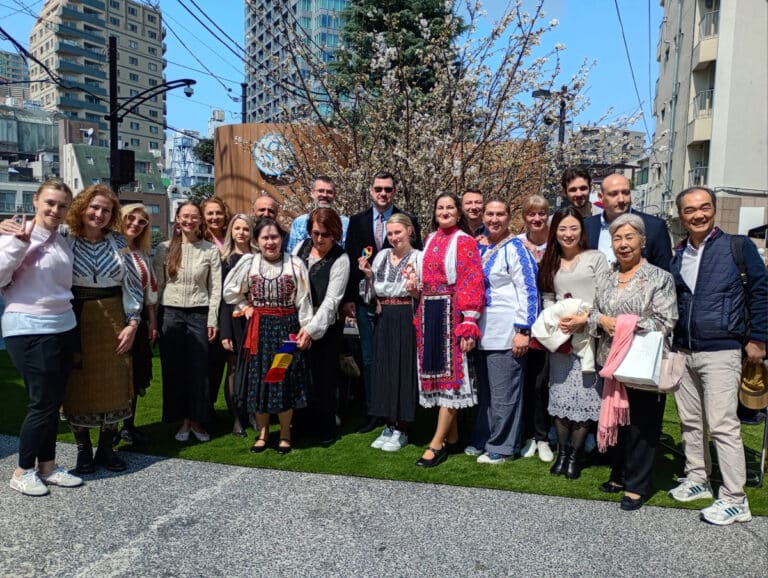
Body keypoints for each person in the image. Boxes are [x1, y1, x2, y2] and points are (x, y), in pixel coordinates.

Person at [668, 186, 767, 525]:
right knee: (691, 421)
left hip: (723, 349)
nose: (698, 215)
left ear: (713, 209)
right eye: (690, 210)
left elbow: (761, 292)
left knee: (724, 425)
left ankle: (735, 498)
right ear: (681, 216)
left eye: (704, 207)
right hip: (684, 349)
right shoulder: (678, 253)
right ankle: (697, 478)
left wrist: (759, 338)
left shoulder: (737, 247)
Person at [589, 213, 678, 511]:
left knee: (642, 425)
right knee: (617, 421)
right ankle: (618, 474)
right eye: (617, 238)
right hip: (612, 362)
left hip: (642, 364)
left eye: (629, 237)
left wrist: (626, 324)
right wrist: (602, 320)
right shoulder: (606, 277)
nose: (623, 244)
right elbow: (592, 313)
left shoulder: (659, 278)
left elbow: (666, 320)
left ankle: (637, 485)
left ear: (642, 241)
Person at [1, 179, 83, 495]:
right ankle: (23, 470)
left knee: (52, 402)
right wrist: (19, 244)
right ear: (36, 200)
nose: (55, 210)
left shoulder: (59, 239)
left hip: (62, 325)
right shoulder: (14, 235)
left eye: (62, 205)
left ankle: (47, 466)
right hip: (29, 327)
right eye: (50, 202)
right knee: (42, 402)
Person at [62, 185, 143, 474]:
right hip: (75, 318)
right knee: (77, 385)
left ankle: (106, 449)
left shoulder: (119, 241)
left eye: (106, 210)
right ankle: (83, 451)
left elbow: (132, 284)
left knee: (115, 382)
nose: (99, 214)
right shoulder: (65, 238)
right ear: (83, 207)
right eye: (94, 207)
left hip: (113, 317)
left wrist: (132, 323)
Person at [223, 218, 313, 454]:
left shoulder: (295, 264)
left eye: (274, 237)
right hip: (259, 330)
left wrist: (306, 329)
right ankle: (262, 433)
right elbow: (230, 291)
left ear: (282, 239)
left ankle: (284, 433)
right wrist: (245, 307)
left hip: (287, 329)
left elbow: (304, 300)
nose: (270, 242)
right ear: (257, 240)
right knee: (260, 381)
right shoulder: (249, 263)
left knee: (282, 379)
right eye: (265, 238)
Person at [343, 171, 422, 434]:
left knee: (399, 360)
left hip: (401, 307)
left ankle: (402, 414)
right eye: (378, 188)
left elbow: (416, 262)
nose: (383, 193)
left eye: (388, 189)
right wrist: (351, 298)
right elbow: (353, 263)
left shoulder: (408, 220)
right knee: (370, 358)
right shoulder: (357, 221)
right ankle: (374, 411)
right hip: (368, 301)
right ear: (370, 190)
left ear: (394, 191)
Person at [414, 192, 485, 467]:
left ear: (459, 214)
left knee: (452, 379)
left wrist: (469, 321)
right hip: (429, 311)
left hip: (451, 313)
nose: (444, 211)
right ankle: (452, 438)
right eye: (440, 207)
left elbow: (471, 280)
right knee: (437, 376)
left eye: (450, 208)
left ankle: (435, 443)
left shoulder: (464, 241)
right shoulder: (430, 239)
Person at [466, 197, 539, 464]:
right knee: (486, 393)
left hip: (507, 331)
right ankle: (484, 437)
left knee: (504, 393)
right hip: (483, 331)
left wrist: (523, 329)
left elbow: (529, 290)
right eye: (489, 214)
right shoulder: (482, 248)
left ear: (509, 218)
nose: (494, 219)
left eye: (500, 214)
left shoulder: (517, 248)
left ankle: (503, 446)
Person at [538, 207, 608, 479]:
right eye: (562, 229)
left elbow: (605, 296)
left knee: (585, 398)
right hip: (562, 338)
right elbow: (548, 296)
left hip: (589, 337)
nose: (568, 234)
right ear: (555, 232)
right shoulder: (551, 260)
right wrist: (555, 321)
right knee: (561, 397)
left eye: (573, 228)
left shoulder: (595, 258)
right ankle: (562, 453)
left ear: (582, 231)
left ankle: (575, 457)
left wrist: (585, 319)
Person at [153, 201, 221, 443]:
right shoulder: (164, 248)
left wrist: (212, 319)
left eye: (194, 217)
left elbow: (215, 290)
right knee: (175, 370)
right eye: (185, 216)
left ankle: (197, 420)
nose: (190, 221)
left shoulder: (210, 250)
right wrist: (153, 320)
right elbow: (158, 287)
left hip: (199, 314)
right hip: (170, 314)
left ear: (200, 221)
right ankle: (182, 420)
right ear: (178, 220)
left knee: (199, 370)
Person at [358, 213, 421, 452]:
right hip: (384, 318)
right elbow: (371, 295)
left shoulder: (419, 258)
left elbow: (421, 295)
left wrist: (415, 289)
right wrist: (368, 277)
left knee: (403, 368)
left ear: (409, 231)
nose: (394, 237)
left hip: (406, 316)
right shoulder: (382, 256)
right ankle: (389, 423)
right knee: (384, 369)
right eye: (390, 233)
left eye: (398, 232)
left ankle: (402, 427)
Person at [293, 208, 350, 444]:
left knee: (324, 376)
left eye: (325, 234)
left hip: (326, 326)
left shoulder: (341, 259)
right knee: (300, 374)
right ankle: (301, 424)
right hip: (299, 321)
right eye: (316, 233)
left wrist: (311, 330)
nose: (319, 239)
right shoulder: (300, 249)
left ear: (335, 234)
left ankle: (326, 428)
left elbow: (331, 302)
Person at [516, 194, 554, 462]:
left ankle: (544, 435)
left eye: (541, 213)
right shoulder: (516, 244)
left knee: (546, 381)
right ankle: (531, 435)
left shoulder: (556, 243)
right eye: (531, 214)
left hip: (553, 321)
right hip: (524, 323)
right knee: (530, 381)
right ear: (524, 217)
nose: (537, 219)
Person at [118, 203, 159, 445]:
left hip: (139, 319)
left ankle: (129, 425)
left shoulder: (141, 253)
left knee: (136, 374)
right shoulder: (111, 247)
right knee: (116, 375)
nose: (135, 223)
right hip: (116, 317)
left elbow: (150, 291)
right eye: (130, 218)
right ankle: (110, 429)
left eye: (141, 221)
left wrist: (152, 321)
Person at [584, 174, 672, 271]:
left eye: (625, 193)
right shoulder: (587, 226)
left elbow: (664, 272)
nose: (621, 199)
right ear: (601, 197)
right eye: (614, 194)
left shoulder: (654, 227)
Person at [219, 214, 257, 437]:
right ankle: (236, 418)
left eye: (246, 229)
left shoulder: (258, 257)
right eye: (237, 228)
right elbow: (224, 298)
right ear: (231, 232)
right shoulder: (226, 259)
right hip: (233, 320)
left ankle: (252, 413)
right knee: (233, 368)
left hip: (254, 318)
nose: (241, 233)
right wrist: (225, 331)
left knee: (253, 368)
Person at [201, 196, 231, 411]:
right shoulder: (200, 240)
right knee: (207, 364)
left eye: (218, 213)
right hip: (205, 308)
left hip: (229, 308)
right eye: (210, 213)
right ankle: (206, 407)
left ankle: (234, 410)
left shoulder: (232, 237)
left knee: (227, 361)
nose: (214, 217)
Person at [287, 176, 349, 252]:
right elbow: (292, 253)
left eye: (329, 192)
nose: (325, 195)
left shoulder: (346, 223)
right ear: (312, 193)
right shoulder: (299, 223)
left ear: (334, 195)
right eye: (321, 191)